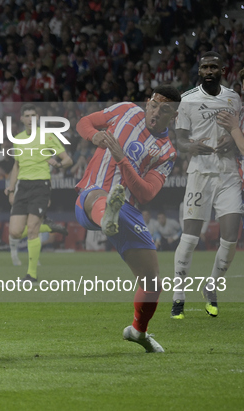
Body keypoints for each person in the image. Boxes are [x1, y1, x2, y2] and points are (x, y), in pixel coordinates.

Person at [75, 85, 182, 353]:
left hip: (128, 211)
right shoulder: (125, 110)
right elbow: (84, 122)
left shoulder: (166, 152)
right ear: (147, 103)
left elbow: (146, 193)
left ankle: (138, 331)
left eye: (165, 110)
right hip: (91, 197)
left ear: (174, 116)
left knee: (153, 282)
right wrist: (94, 136)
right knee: (101, 197)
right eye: (154, 105)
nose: (157, 112)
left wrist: (123, 160)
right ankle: (105, 219)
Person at [171, 52, 242, 319]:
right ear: (199, 71)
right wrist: (190, 146)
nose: (209, 70)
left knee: (231, 238)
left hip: (228, 174)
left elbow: (239, 131)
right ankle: (178, 296)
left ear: (223, 69)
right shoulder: (187, 99)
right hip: (200, 173)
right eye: (204, 67)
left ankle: (210, 286)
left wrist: (233, 141)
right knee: (190, 238)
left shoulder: (233, 98)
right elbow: (180, 139)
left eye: (213, 66)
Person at [5, 104, 73, 281]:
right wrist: (11, 188)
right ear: (21, 119)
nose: (30, 118)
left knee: (33, 231)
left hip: (40, 186)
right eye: (26, 115)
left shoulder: (47, 136)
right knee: (15, 232)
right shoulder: (18, 139)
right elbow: (16, 165)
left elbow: (67, 160)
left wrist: (57, 164)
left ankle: (31, 275)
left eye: (33, 115)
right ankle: (48, 227)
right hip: (22, 187)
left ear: (37, 118)